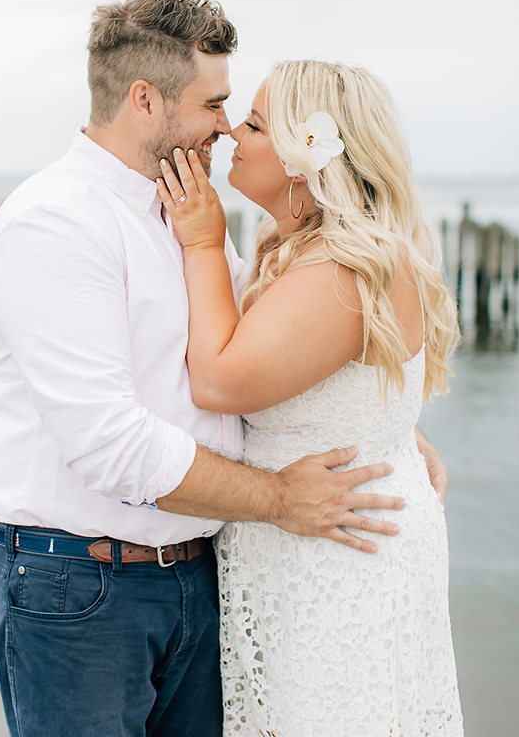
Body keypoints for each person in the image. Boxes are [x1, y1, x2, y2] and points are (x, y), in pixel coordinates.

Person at [0, 0, 447, 737]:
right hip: (81, 588)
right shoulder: (55, 224)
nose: (226, 128)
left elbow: (272, 355)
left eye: (239, 112)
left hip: (199, 576)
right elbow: (111, 440)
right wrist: (280, 499)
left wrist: (388, 430)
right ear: (145, 101)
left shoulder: (185, 208)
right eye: (214, 105)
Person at [157, 60, 464, 735]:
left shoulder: (341, 269)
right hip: (319, 545)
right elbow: (334, 387)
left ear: (305, 161)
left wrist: (204, 242)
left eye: (259, 124)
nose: (235, 129)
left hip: (333, 566)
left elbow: (217, 380)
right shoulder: (312, 253)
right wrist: (399, 432)